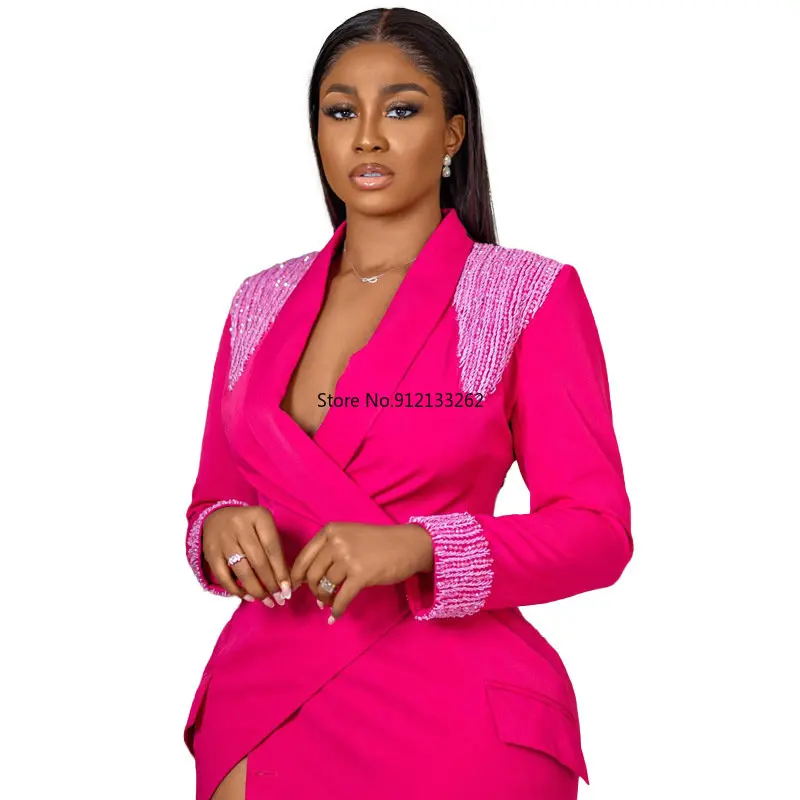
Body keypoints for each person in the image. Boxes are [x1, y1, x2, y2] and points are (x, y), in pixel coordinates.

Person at [182, 8, 633, 800]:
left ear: (453, 132)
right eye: (340, 111)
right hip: (266, 701)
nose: (366, 138)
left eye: (400, 109)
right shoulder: (259, 300)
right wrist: (219, 531)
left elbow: (597, 533)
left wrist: (422, 548)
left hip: (457, 716)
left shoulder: (525, 295)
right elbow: (211, 504)